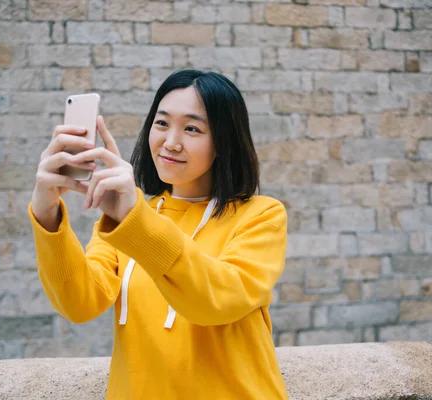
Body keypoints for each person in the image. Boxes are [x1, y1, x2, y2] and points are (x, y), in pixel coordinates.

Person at [28, 69, 289, 399]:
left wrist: (134, 222)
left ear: (224, 142)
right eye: (162, 123)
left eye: (192, 128)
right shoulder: (133, 218)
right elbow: (78, 303)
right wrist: (46, 211)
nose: (171, 142)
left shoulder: (261, 215)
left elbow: (217, 301)